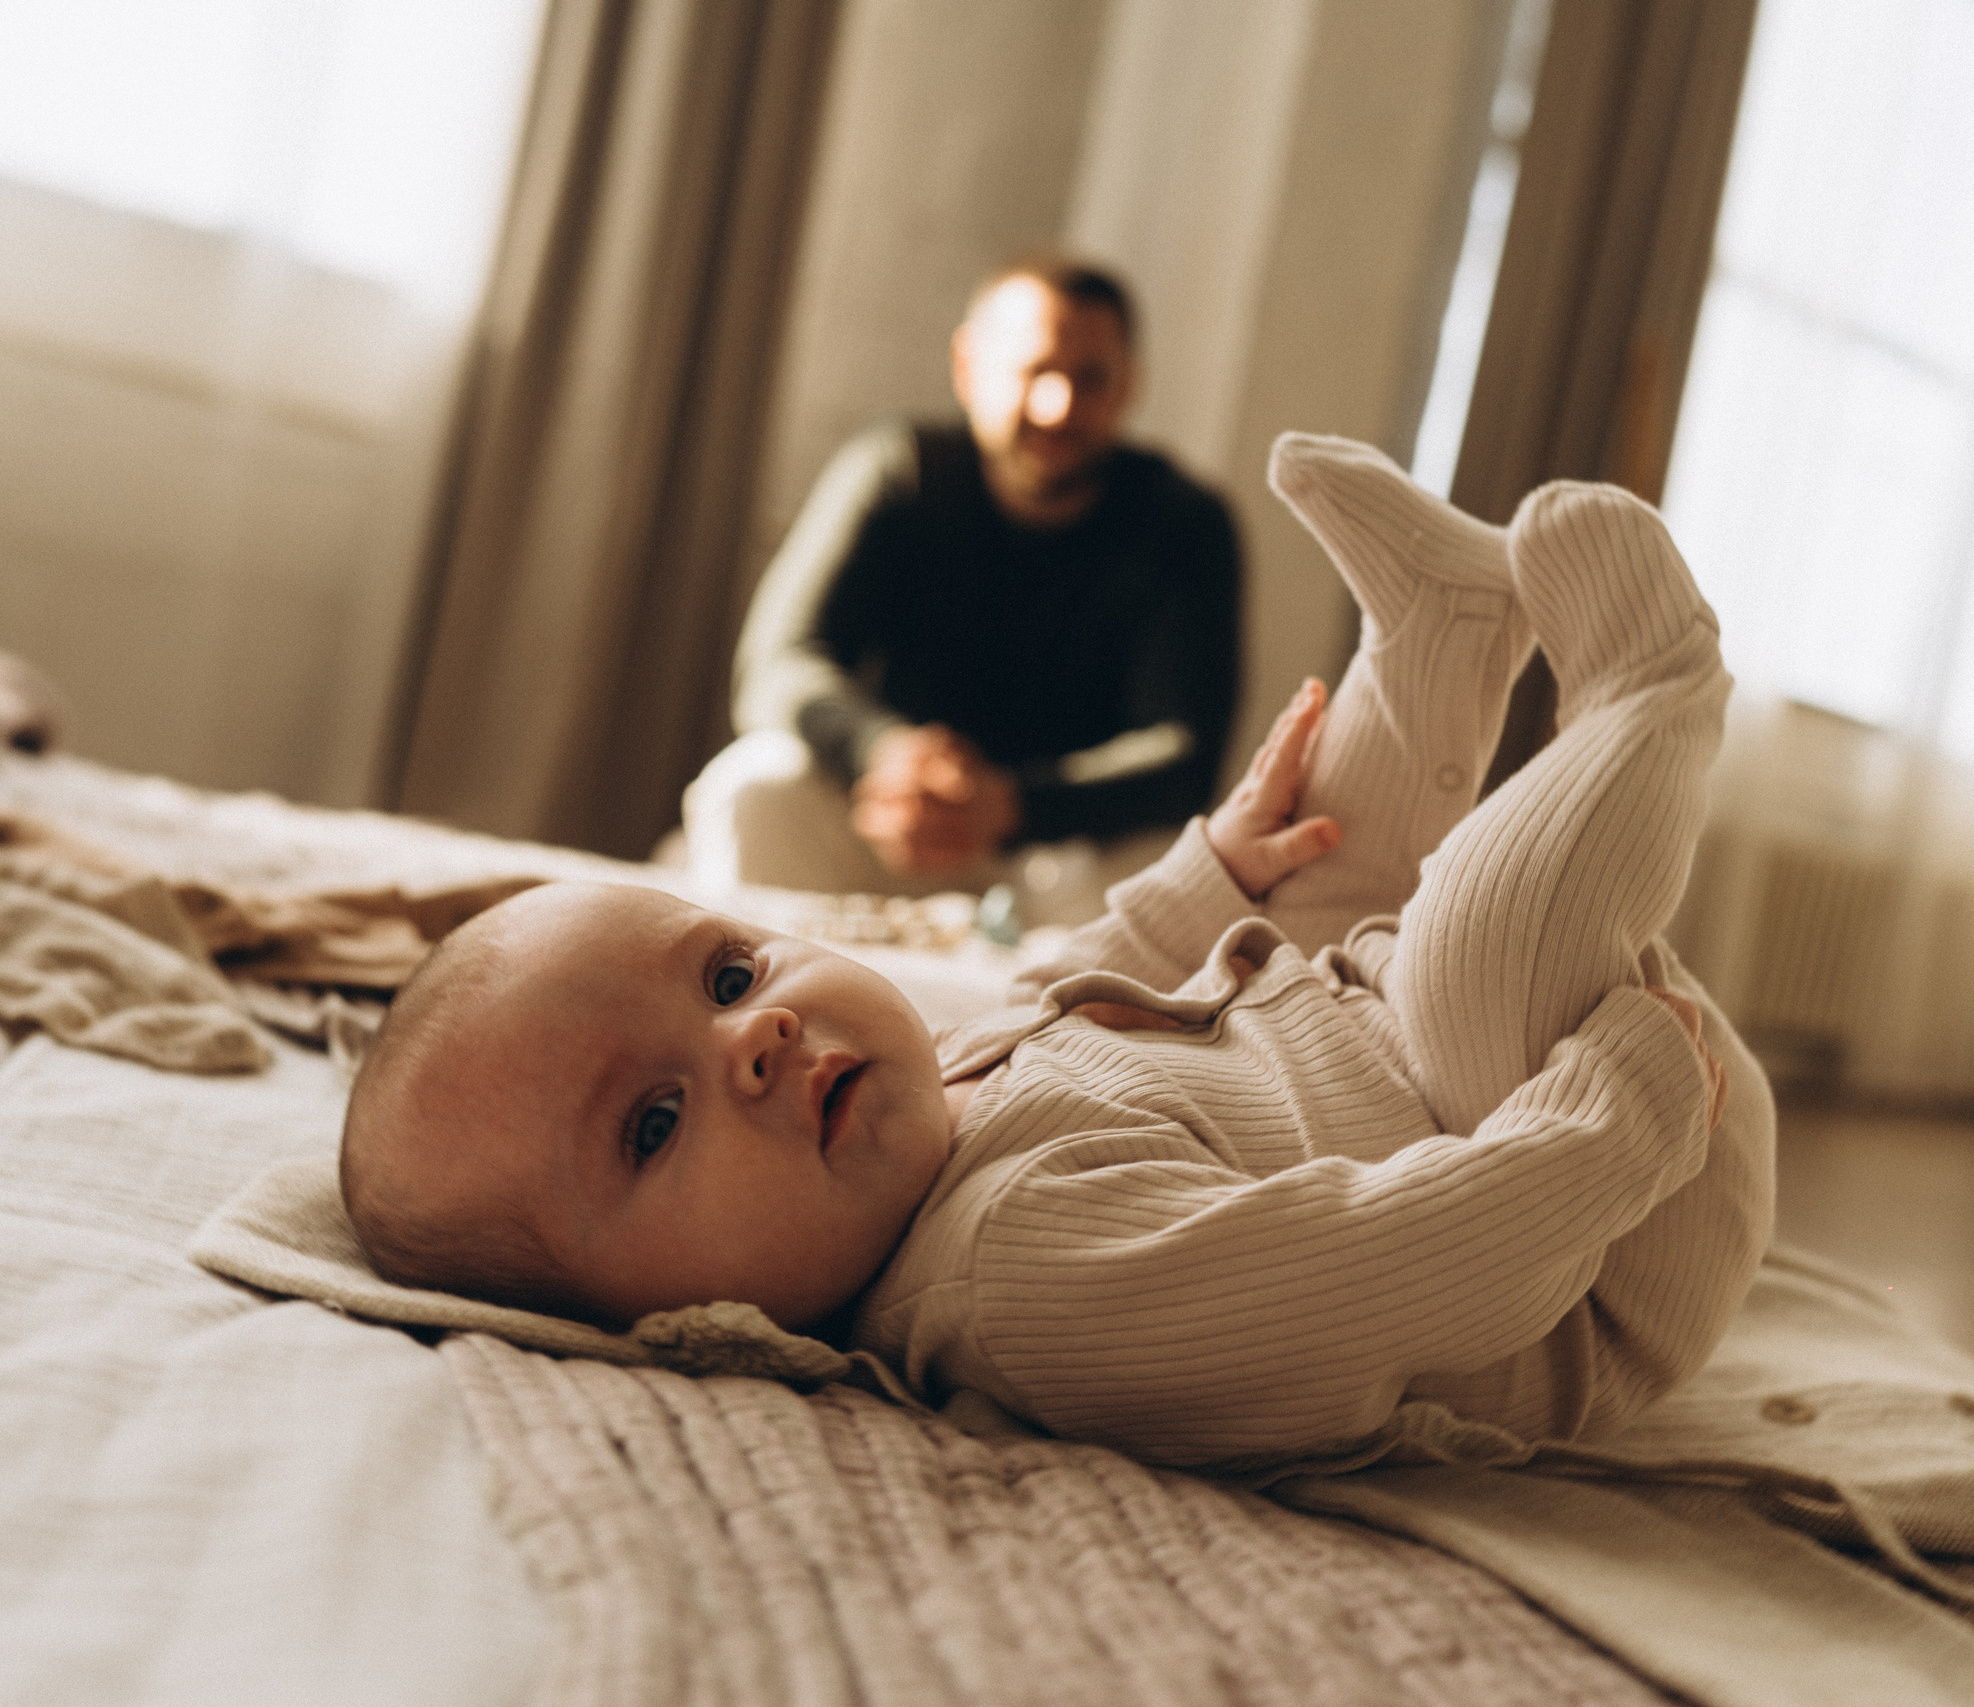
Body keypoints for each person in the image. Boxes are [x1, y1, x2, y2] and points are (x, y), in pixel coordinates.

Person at [341, 434, 1774, 1469]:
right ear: (675, 1327)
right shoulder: (1023, 1285)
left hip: (1408, 1045)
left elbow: (1073, 974)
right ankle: (1656, 681)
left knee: (1323, 856)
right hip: (1596, 1228)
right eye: (654, 1122)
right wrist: (1624, 1112)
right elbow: (1392, 1266)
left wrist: (1219, 865)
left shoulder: (932, 1100)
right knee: (1470, 927)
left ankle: (1446, 634)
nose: (756, 1037)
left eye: (729, 975)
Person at [685, 257, 1241, 911]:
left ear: (1129, 385)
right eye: (1035, 371)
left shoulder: (1184, 523)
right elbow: (778, 664)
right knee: (751, 787)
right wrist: (883, 751)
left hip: (1057, 854)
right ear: (967, 366)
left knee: (1169, 869)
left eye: (1090, 379)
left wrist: (1010, 804)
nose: (1057, 406)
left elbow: (1185, 756)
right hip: (892, 817)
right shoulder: (899, 470)